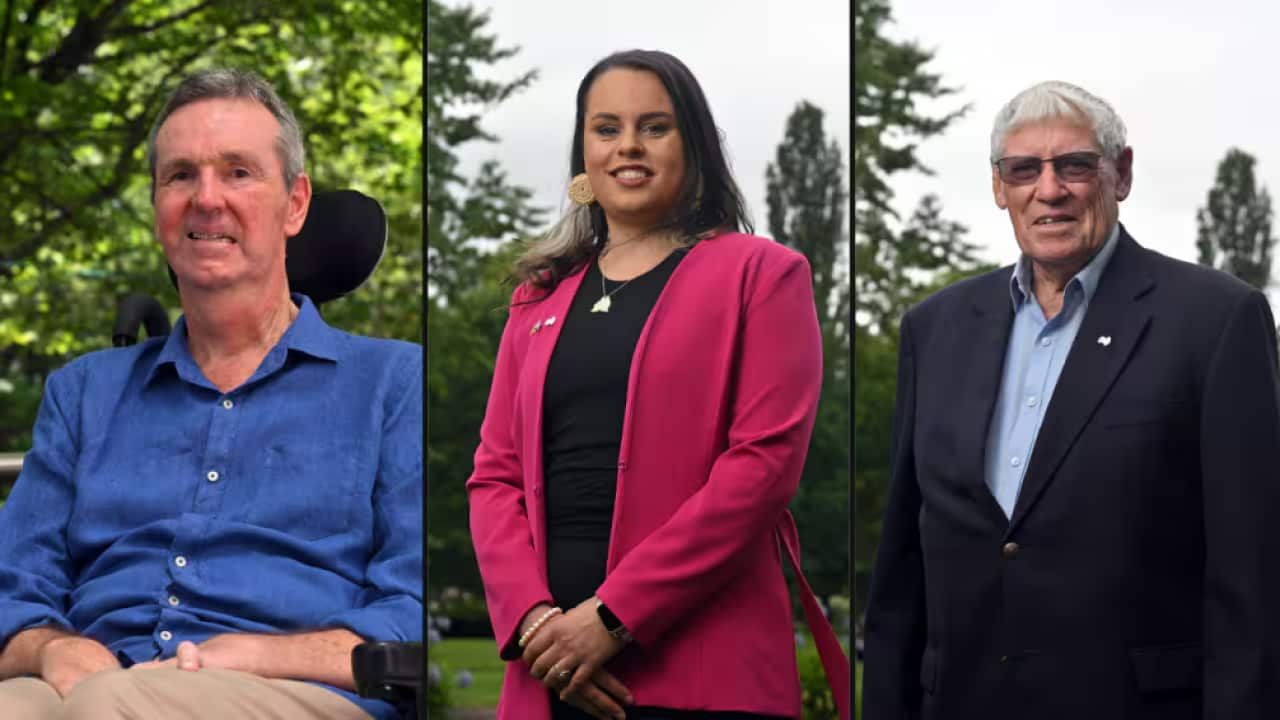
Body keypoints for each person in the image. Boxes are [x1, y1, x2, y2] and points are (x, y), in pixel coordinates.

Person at [0, 68, 422, 720]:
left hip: (297, 691)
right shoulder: (83, 393)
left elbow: (412, 612)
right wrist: (50, 648)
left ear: (296, 204)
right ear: (157, 208)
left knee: (110, 706)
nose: (206, 198)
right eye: (180, 176)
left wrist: (254, 654)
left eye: (238, 172)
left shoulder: (394, 385)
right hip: (85, 682)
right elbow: (12, 592)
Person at [861, 80, 1280, 719]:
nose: (1049, 190)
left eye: (1075, 165)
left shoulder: (1216, 321)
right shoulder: (936, 327)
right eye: (1024, 169)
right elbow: (901, 571)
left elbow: (1251, 581)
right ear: (1000, 187)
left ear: (1122, 174)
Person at [466, 49, 847, 720]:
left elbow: (761, 470)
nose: (628, 147)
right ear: (584, 150)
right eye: (606, 128)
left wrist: (610, 619)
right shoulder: (537, 298)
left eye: (655, 127)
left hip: (703, 668)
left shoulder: (764, 276)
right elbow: (494, 477)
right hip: (548, 674)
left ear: (692, 145)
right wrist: (534, 627)